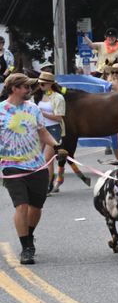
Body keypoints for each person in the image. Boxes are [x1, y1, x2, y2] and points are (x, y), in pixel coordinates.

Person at [2, 73, 60, 264]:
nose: (29, 90)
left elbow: (42, 133)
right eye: (25, 87)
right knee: (22, 206)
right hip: (11, 167)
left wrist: (57, 146)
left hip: (36, 166)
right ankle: (26, 247)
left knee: (36, 207)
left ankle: (29, 235)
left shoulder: (33, 109)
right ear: (14, 89)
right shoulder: (1, 110)